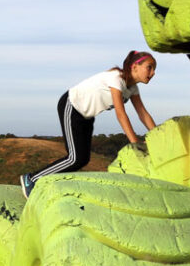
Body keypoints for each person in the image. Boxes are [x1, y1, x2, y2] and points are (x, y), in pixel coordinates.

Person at [20, 50, 157, 198]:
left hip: (86, 116)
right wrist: (135, 144)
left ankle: (49, 184)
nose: (153, 72)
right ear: (135, 66)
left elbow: (142, 113)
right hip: (71, 105)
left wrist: (159, 137)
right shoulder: (116, 78)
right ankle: (31, 179)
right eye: (149, 67)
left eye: (154, 69)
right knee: (74, 158)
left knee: (82, 159)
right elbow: (121, 113)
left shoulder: (132, 89)